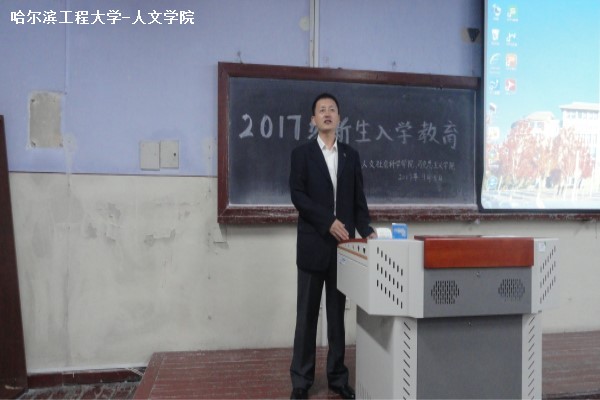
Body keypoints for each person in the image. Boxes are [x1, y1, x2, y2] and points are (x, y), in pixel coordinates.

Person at [289, 93, 377, 400]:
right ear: (313, 119)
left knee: (337, 317)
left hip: (344, 249)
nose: (327, 114)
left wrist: (367, 231)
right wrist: (327, 222)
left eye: (332, 110)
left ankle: (338, 378)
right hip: (313, 246)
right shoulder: (301, 154)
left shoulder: (351, 155)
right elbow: (298, 196)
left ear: (339, 118)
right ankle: (301, 382)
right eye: (321, 110)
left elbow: (358, 201)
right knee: (306, 317)